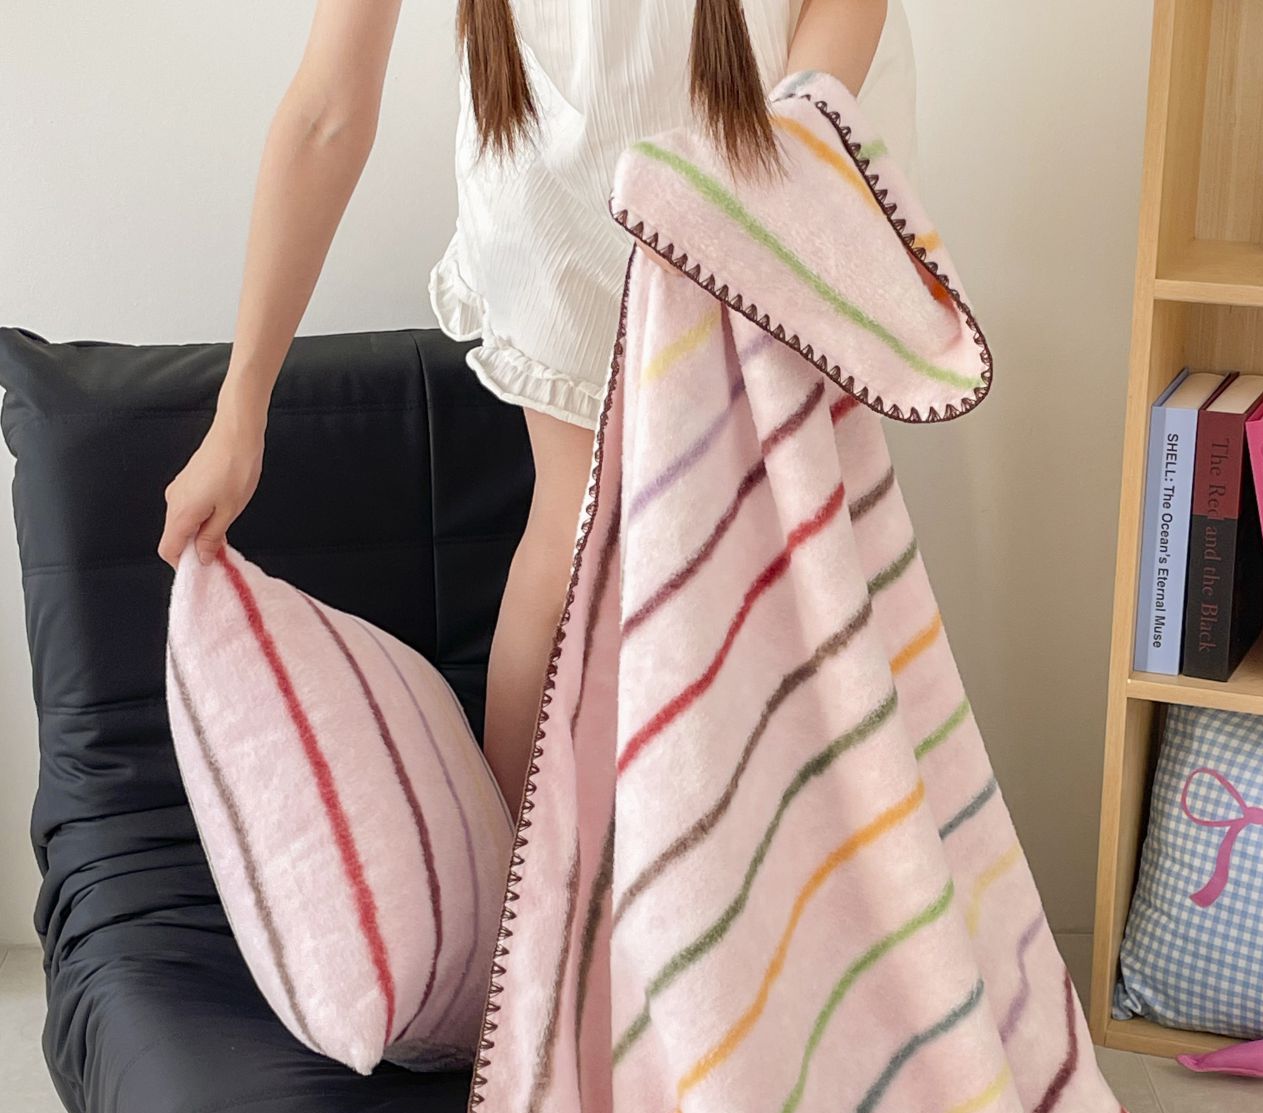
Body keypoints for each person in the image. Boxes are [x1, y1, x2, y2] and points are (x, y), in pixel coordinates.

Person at [157, 0, 917, 817]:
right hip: (591, 168)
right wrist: (240, 411)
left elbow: (327, 114)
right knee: (618, 540)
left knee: (754, 540)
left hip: (765, 140)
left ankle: (682, 876)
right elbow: (326, 113)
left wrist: (782, 173)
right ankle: (538, 881)